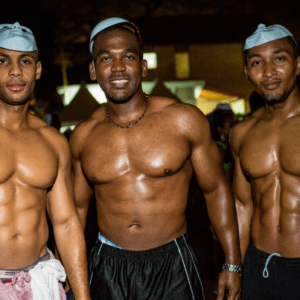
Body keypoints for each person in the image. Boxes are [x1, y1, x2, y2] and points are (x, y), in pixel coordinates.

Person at [71, 17, 241, 300]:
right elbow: (74, 213)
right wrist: (72, 272)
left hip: (173, 262)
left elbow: (216, 189)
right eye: (105, 58)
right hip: (108, 264)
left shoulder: (184, 120)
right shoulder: (83, 136)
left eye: (128, 56)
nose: (117, 67)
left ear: (143, 66)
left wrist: (232, 263)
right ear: (92, 70)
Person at [0, 22, 90, 300]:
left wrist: (83, 295)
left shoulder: (53, 142)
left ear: (37, 70)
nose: (15, 71)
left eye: (25, 61)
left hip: (41, 280)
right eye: (3, 60)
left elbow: (66, 223)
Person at [230, 24, 300, 299]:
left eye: (279, 59)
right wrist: (233, 267)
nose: (268, 71)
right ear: (248, 73)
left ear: (297, 65)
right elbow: (242, 205)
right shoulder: (242, 133)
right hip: (260, 267)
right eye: (257, 63)